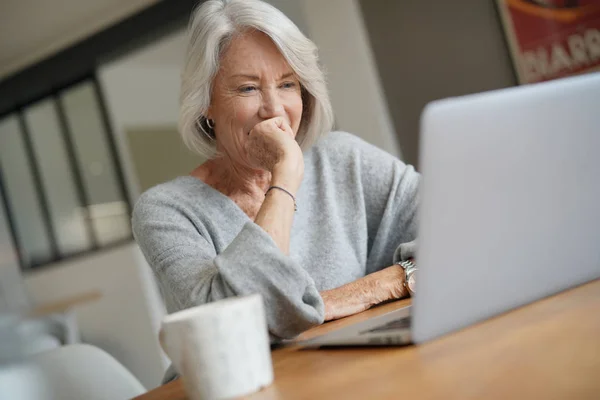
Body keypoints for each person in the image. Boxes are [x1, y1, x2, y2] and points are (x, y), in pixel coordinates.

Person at [133, 0, 418, 350]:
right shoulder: (166, 211)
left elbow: (460, 227)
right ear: (207, 101)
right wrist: (285, 175)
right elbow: (236, 328)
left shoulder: (344, 160)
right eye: (248, 88)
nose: (273, 110)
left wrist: (378, 286)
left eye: (287, 84)